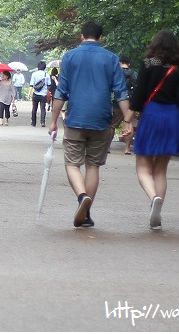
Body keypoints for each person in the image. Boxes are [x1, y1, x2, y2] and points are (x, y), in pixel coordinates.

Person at [48, 21, 130, 229]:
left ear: (81, 36)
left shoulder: (70, 57)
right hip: (101, 119)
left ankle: (81, 197)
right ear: (101, 38)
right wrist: (128, 119)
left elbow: (61, 92)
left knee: (72, 163)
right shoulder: (111, 59)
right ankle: (86, 213)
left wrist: (53, 121)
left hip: (76, 118)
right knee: (93, 165)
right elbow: (121, 92)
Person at [131, 31, 179, 230]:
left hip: (152, 115)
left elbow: (139, 93)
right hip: (172, 117)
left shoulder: (148, 64)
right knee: (161, 170)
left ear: (155, 45)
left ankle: (153, 197)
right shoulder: (178, 69)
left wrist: (130, 115)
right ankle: (158, 209)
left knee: (143, 167)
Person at [116, 55, 139, 155]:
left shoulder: (115, 73)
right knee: (130, 123)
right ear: (129, 63)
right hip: (130, 101)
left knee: (111, 125)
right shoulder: (133, 73)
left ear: (119, 62)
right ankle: (127, 148)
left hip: (116, 100)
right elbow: (138, 86)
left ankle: (106, 148)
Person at [28, 61, 49, 127]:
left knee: (34, 108)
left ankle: (33, 122)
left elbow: (31, 85)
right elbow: (49, 85)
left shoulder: (34, 74)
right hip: (44, 94)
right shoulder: (47, 74)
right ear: (44, 67)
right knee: (43, 108)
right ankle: (42, 122)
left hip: (35, 93)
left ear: (38, 67)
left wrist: (29, 94)